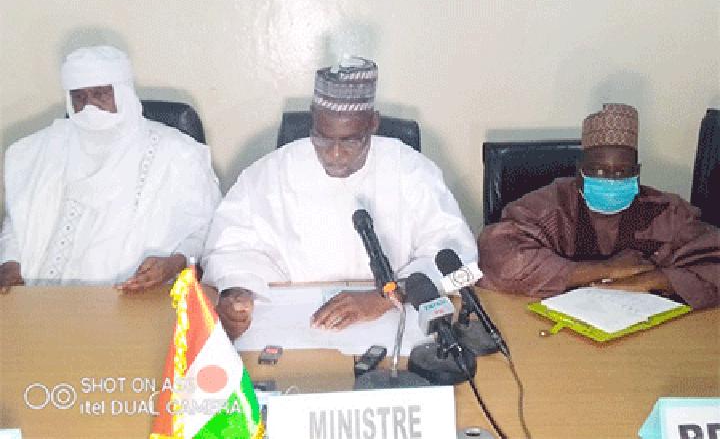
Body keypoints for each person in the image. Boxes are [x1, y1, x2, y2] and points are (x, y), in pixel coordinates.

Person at [202, 56, 476, 339]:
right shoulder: (269, 173)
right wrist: (238, 291)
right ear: (312, 118)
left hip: (396, 322)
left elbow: (464, 266)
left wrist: (389, 297)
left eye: (350, 140)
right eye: (322, 138)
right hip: (297, 328)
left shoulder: (411, 170)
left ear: (373, 123)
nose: (334, 154)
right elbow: (228, 250)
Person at [0, 46, 221, 292]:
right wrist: (9, 263)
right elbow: (18, 220)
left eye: (100, 94)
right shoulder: (41, 150)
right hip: (42, 296)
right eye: (79, 97)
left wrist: (173, 264)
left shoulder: (178, 153)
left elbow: (204, 228)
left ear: (123, 92)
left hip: (133, 295)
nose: (90, 107)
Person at [477, 103, 720, 309]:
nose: (611, 180)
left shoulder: (667, 212)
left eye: (622, 172)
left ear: (637, 173)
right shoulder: (551, 205)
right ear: (580, 172)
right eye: (599, 170)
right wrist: (605, 270)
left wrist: (651, 280)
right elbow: (497, 255)